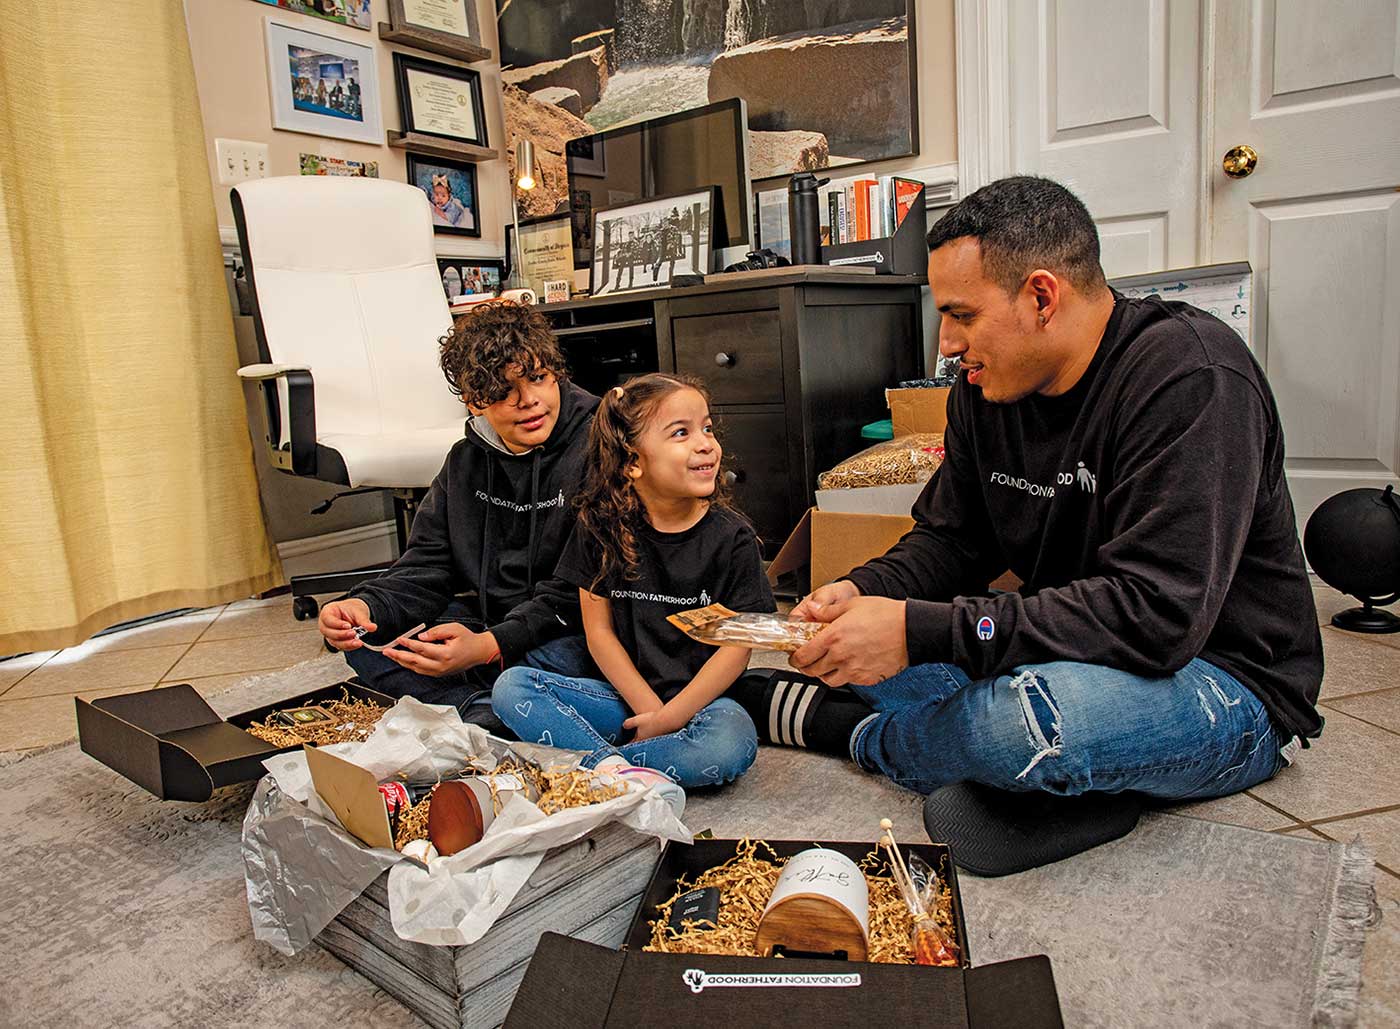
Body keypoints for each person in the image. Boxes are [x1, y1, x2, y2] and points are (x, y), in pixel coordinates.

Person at [787, 175, 1323, 807]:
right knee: (873, 646)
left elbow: (1158, 619)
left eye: (963, 316)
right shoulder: (985, 387)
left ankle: (850, 732)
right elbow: (953, 540)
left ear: (1042, 297)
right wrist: (864, 592)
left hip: (1219, 677)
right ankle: (1006, 772)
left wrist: (917, 633)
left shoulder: (1192, 377)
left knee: (1024, 724)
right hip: (1073, 651)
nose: (948, 346)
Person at [317, 301, 600, 727]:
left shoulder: (601, 446)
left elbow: (581, 593)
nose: (528, 401)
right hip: (490, 624)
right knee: (371, 643)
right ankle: (481, 706)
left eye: (538, 378)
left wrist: (490, 644)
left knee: (567, 661)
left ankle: (486, 697)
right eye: (503, 392)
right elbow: (428, 564)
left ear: (556, 372)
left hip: (566, 627)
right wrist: (364, 605)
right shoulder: (464, 462)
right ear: (474, 401)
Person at [492, 374, 767, 788]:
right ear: (632, 462)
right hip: (623, 699)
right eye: (681, 432)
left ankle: (596, 767)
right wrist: (649, 710)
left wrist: (668, 719)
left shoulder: (733, 537)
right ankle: (614, 771)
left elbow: (737, 649)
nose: (706, 443)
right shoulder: (600, 527)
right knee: (511, 687)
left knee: (728, 746)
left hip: (703, 706)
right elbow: (598, 632)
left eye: (707, 428)